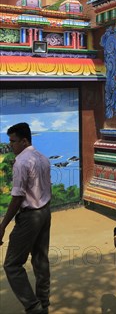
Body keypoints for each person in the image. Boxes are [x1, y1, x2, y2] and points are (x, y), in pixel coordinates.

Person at [0, 122, 51, 314]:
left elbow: (17, 197)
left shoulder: (21, 162)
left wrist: (3, 225)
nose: (10, 145)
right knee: (41, 260)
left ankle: (34, 307)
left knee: (12, 265)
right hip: (45, 212)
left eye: (13, 141)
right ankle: (44, 304)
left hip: (30, 217)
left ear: (24, 141)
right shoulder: (43, 158)